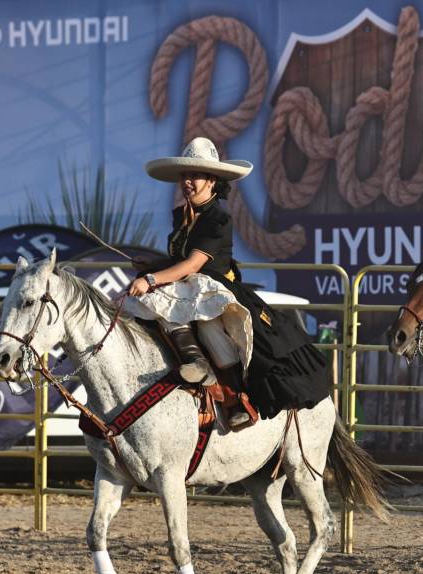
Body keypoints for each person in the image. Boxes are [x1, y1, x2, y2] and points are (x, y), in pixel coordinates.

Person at [125, 137, 331, 430]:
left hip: (215, 290)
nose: (187, 181)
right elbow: (183, 262)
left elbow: (195, 264)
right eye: (184, 175)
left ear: (211, 181)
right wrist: (155, 267)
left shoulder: (218, 219)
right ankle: (195, 368)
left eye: (194, 175)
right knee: (157, 311)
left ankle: (237, 398)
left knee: (208, 326)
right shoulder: (183, 217)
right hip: (191, 288)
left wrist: (151, 278)